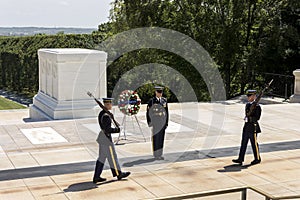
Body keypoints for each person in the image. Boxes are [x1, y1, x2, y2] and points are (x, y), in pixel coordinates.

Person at [93, 98, 130, 183]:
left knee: (102, 158)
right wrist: (117, 130)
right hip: (106, 140)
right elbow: (107, 129)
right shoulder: (106, 116)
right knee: (113, 157)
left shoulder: (102, 113)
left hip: (102, 139)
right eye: (110, 104)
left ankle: (96, 176)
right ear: (106, 105)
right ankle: (119, 174)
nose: (111, 105)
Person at [233, 90, 262, 165]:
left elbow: (257, 118)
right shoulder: (248, 105)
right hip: (246, 126)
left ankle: (257, 158)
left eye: (250, 96)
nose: (248, 97)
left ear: (254, 96)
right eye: (248, 96)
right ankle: (240, 158)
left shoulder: (257, 107)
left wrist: (250, 118)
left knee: (254, 144)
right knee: (243, 143)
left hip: (253, 127)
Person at [146, 86, 169, 160]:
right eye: (158, 92)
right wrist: (149, 122)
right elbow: (148, 113)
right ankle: (156, 154)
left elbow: (166, 112)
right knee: (156, 138)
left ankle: (160, 154)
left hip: (162, 122)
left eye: (161, 92)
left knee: (161, 138)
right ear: (156, 92)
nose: (160, 94)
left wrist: (166, 122)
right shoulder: (152, 101)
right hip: (155, 122)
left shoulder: (164, 100)